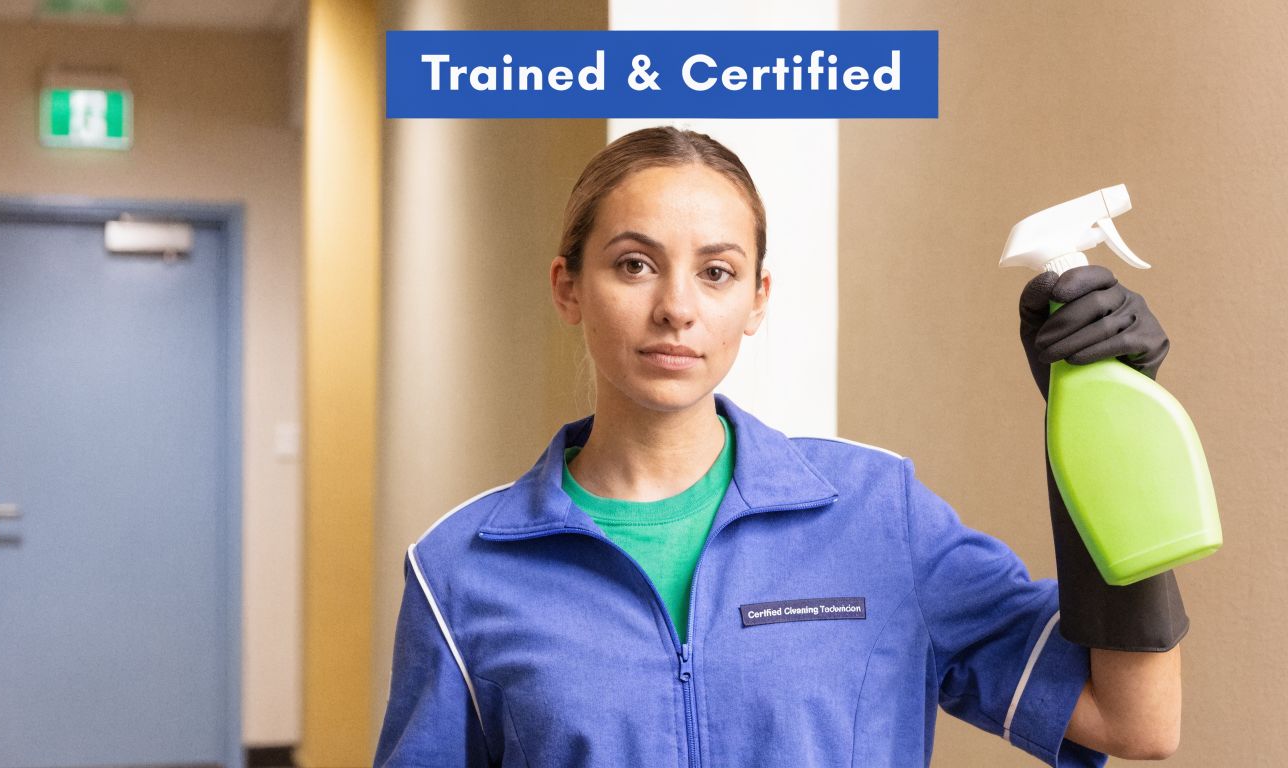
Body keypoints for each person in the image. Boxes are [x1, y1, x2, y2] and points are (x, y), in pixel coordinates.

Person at [374, 126, 1187, 767]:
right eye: (633, 265)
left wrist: (1115, 432)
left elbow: (1133, 719)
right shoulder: (460, 570)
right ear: (568, 289)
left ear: (757, 299)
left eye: (717, 273)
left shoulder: (878, 514)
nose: (677, 308)